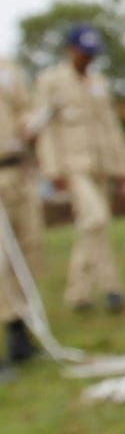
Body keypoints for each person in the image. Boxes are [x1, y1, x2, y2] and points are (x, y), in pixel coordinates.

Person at [36, 24, 125, 313]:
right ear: (69, 50)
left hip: (101, 166)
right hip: (73, 167)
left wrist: (122, 165)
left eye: (91, 54)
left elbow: (111, 127)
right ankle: (112, 288)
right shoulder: (51, 82)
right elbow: (45, 128)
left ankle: (78, 294)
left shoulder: (98, 83)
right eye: (82, 53)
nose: (87, 60)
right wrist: (53, 170)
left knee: (90, 226)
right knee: (97, 218)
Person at [0, 55, 44, 372]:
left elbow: (24, 107)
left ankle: (19, 329)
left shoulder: (8, 69)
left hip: (18, 169)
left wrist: (30, 122)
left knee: (28, 247)